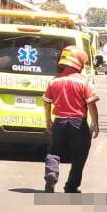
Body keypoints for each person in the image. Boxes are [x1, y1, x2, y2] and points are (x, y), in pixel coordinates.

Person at [42, 46, 100, 193]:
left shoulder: (54, 81)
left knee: (54, 151)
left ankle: (52, 172)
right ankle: (71, 187)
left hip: (59, 121)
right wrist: (95, 123)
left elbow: (46, 102)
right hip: (78, 123)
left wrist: (48, 120)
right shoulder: (84, 82)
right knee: (80, 155)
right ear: (79, 63)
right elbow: (91, 104)